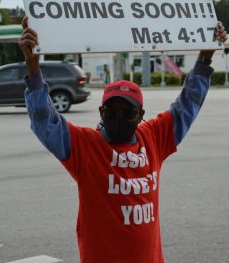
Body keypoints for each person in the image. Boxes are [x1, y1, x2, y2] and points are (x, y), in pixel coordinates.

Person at [19, 17, 227, 263]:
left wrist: (205, 57)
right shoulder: (86, 146)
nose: (119, 117)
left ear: (140, 115)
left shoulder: (153, 138)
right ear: (100, 112)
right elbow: (45, 123)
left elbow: (188, 104)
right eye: (111, 110)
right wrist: (33, 69)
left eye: (127, 112)